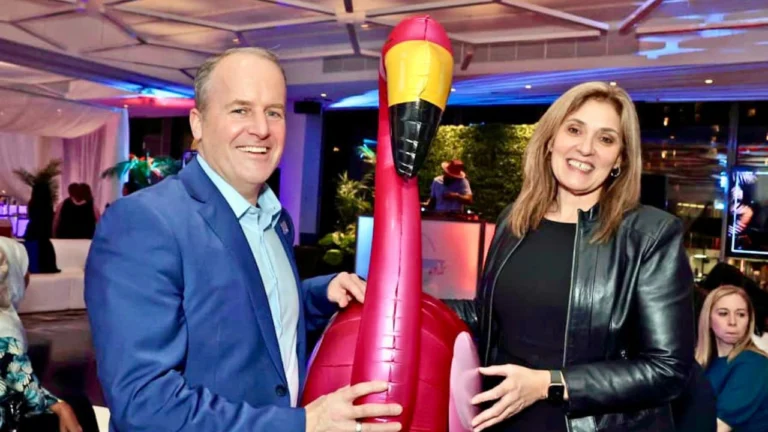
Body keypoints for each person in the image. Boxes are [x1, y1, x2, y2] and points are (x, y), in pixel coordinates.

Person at [85, 47, 402, 432]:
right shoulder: (144, 222)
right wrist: (302, 424)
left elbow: (249, 314)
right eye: (240, 110)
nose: (262, 129)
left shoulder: (275, 219)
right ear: (198, 124)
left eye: (274, 112)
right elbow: (145, 405)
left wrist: (319, 294)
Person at [472, 82, 694, 432]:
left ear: (620, 157)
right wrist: (376, 295)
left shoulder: (649, 236)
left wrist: (550, 383)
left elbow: (668, 370)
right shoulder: (515, 218)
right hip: (504, 422)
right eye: (574, 129)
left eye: (606, 139)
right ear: (550, 139)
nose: (586, 148)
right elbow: (483, 314)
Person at [0, 237, 97, 431]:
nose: (27, 276)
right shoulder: (5, 328)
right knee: (78, 406)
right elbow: (25, 386)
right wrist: (60, 407)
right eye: (24, 268)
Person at [696, 285, 768, 432]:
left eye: (741, 314)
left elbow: (718, 427)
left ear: (749, 320)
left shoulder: (753, 364)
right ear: (708, 319)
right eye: (723, 314)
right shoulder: (706, 363)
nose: (733, 322)